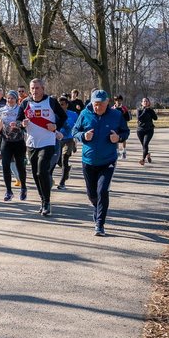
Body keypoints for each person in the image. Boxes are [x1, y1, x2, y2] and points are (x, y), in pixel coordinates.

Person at [72, 90, 130, 236]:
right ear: (92, 103)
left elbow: (125, 132)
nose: (98, 107)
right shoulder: (85, 114)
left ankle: (100, 224)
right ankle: (97, 208)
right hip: (88, 160)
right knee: (92, 194)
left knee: (102, 191)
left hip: (107, 160)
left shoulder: (116, 115)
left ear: (107, 102)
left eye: (101, 104)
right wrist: (83, 136)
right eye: (95, 104)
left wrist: (118, 138)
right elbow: (75, 131)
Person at [17, 78, 66, 216]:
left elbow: (63, 117)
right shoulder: (25, 103)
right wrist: (22, 124)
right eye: (32, 88)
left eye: (37, 88)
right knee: (35, 174)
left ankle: (47, 202)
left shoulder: (51, 101)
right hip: (32, 143)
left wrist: (56, 126)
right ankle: (42, 199)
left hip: (48, 142)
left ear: (43, 89)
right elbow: (18, 119)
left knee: (41, 171)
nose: (34, 91)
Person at [0, 90, 28, 201]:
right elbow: (1, 120)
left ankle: (23, 188)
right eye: (8, 98)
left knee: (20, 166)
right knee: (5, 165)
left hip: (18, 141)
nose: (10, 100)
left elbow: (24, 123)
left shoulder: (20, 109)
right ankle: (9, 191)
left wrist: (18, 125)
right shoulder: (2, 109)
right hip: (6, 141)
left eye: (12, 98)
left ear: (16, 99)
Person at [54, 96, 78, 190]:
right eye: (59, 105)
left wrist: (75, 140)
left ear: (67, 105)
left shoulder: (73, 115)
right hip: (58, 140)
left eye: (63, 105)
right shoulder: (55, 114)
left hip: (69, 140)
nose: (61, 106)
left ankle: (62, 182)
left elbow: (78, 126)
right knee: (58, 160)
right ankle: (66, 170)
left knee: (65, 159)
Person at [136, 97, 157, 166]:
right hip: (140, 130)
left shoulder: (150, 110)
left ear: (149, 103)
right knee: (144, 145)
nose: (145, 102)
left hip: (149, 130)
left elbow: (155, 118)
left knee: (145, 144)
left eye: (146, 101)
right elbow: (139, 118)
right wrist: (144, 111)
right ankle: (147, 154)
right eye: (144, 101)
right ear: (142, 103)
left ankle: (143, 159)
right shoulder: (139, 110)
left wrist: (151, 111)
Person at [113, 95, 131, 159]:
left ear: (122, 101)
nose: (118, 102)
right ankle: (117, 152)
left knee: (123, 139)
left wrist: (124, 112)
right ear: (115, 101)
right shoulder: (112, 109)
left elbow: (128, 118)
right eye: (117, 100)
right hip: (115, 126)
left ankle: (124, 151)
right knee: (116, 138)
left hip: (123, 125)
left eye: (120, 100)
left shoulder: (124, 108)